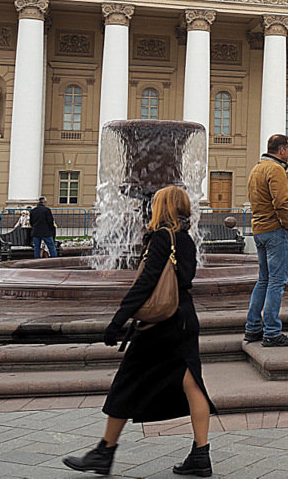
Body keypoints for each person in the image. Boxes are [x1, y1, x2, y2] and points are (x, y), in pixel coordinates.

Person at [63, 186, 217, 476]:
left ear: (163, 209)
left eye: (155, 204)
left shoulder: (161, 238)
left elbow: (145, 283)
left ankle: (104, 452)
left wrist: (117, 321)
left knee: (127, 382)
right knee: (193, 384)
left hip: (163, 325)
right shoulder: (186, 239)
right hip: (184, 319)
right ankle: (200, 454)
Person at [245, 134, 288, 347]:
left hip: (259, 228)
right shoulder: (276, 170)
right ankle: (271, 331)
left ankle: (252, 328)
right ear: (282, 150)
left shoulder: (257, 168)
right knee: (277, 281)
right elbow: (280, 201)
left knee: (264, 280)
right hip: (275, 229)